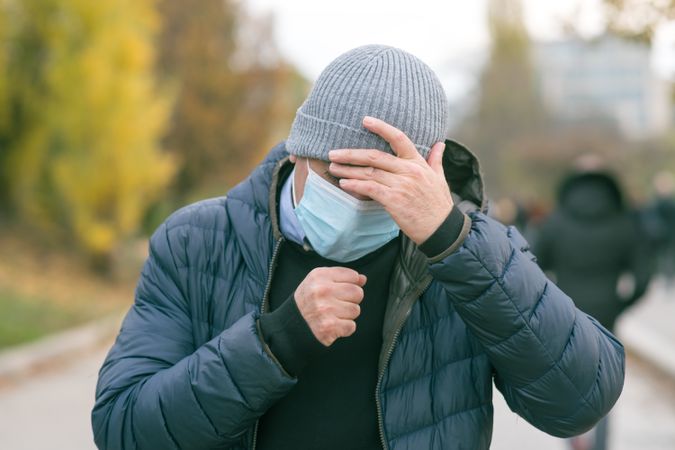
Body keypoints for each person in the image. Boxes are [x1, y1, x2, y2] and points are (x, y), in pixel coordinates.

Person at [92, 45, 625, 450]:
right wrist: (276, 340)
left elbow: (580, 400)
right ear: (300, 150)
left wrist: (451, 241)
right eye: (340, 174)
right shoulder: (198, 241)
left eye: (384, 183)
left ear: (425, 174)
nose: (358, 198)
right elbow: (123, 427)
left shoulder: (469, 256)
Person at [533, 166, 651, 450]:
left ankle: (575, 440)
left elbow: (532, 267)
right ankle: (600, 444)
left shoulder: (556, 222)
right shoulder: (623, 223)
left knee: (570, 378)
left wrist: (551, 303)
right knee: (605, 380)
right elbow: (644, 275)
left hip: (566, 313)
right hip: (607, 312)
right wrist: (622, 304)